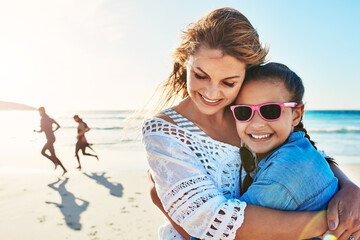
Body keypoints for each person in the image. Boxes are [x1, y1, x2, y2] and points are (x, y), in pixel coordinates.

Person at [142, 7, 360, 240]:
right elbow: (211, 219)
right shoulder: (165, 132)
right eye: (200, 75)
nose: (212, 92)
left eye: (229, 82)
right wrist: (328, 223)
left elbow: (304, 153)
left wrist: (349, 188)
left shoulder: (247, 110)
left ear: (246, 75)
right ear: (185, 62)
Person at [229, 62, 338, 239]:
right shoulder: (298, 150)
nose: (256, 124)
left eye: (270, 110)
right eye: (243, 112)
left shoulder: (286, 171)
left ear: (296, 115)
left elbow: (229, 232)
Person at [34, 106, 67, 175]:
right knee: (52, 154)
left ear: (42, 111)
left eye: (39, 111)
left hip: (49, 139)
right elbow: (58, 126)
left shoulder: (43, 119)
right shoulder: (50, 118)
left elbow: (42, 130)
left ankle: (58, 164)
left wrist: (36, 131)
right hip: (52, 138)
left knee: (43, 152)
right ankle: (61, 167)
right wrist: (53, 131)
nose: (39, 113)